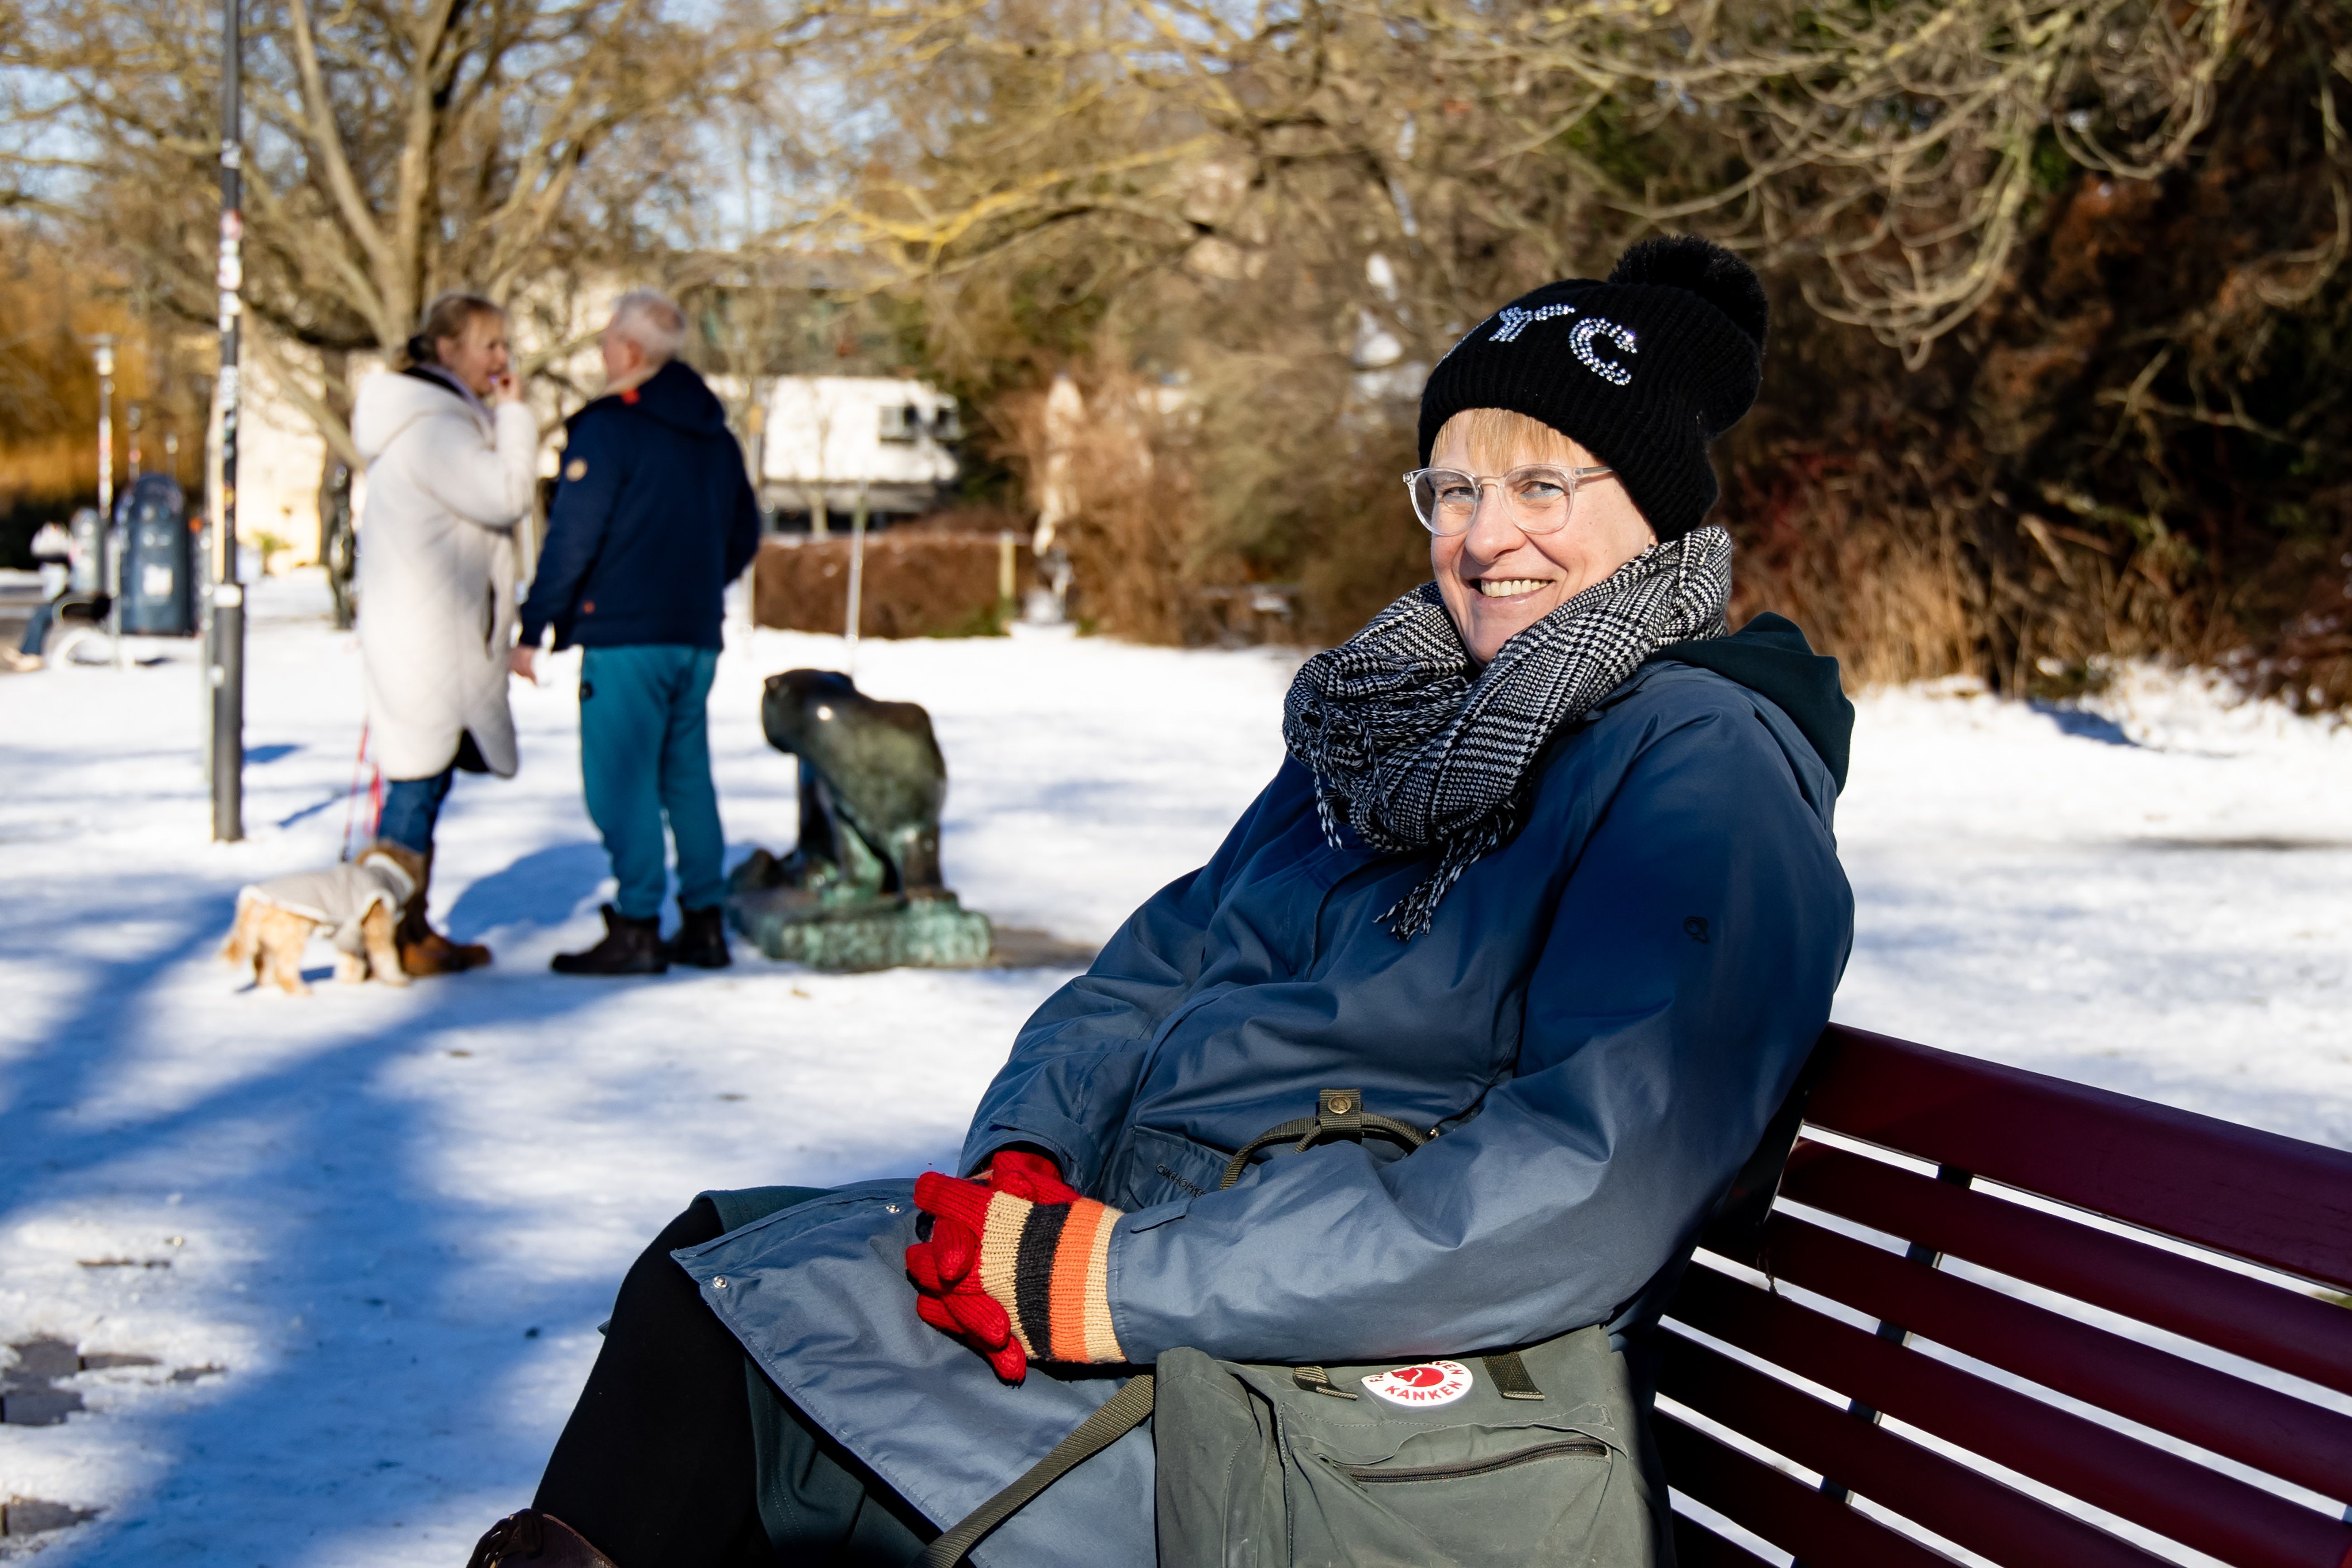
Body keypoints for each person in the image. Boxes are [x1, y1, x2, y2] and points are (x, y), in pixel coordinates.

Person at [466, 237, 1856, 1568]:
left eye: (1545, 487)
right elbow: (1156, 969)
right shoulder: (1393, 733)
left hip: (1384, 1405)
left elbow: (1582, 1175)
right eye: (1455, 490)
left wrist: (1117, 1279)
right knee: (721, 1262)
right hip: (1199, 1304)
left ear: (1656, 505)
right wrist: (1029, 1155)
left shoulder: (1695, 765)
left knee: (741, 1349)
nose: (1488, 537)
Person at [511, 291, 761, 976]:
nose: (599, 354)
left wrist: (535, 625)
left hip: (625, 636)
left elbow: (572, 536)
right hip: (694, 635)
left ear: (629, 353)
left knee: (619, 782)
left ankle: (639, 925)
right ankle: (705, 923)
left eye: (604, 343)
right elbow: (747, 530)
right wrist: (703, 584)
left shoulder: (608, 427)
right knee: (685, 777)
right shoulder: (716, 433)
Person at [351, 292, 539, 974]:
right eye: (489, 345)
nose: (502, 359)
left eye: (504, 345)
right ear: (447, 350)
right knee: (416, 784)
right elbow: (508, 493)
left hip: (426, 634)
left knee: (419, 783)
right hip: (429, 641)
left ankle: (406, 924)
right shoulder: (435, 429)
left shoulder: (430, 419)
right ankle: (391, 932)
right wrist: (516, 417)